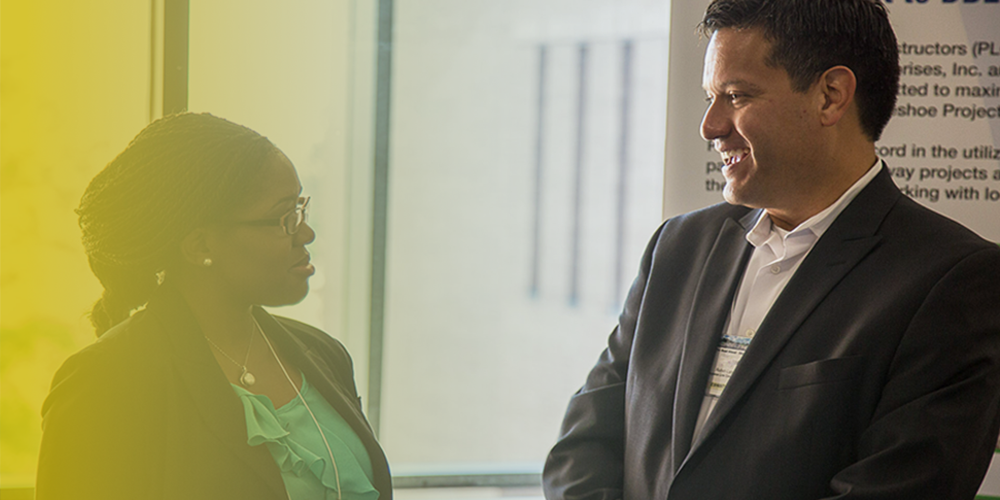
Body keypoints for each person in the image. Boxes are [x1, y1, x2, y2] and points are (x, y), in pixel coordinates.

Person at [543, 0, 1000, 498]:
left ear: (831, 96)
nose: (710, 126)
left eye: (737, 96)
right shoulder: (676, 248)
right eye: (710, 97)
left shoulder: (952, 281)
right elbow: (583, 447)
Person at [35, 112, 391, 500]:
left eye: (300, 208)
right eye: (283, 217)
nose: (305, 232)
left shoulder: (325, 355)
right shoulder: (103, 383)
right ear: (200, 245)